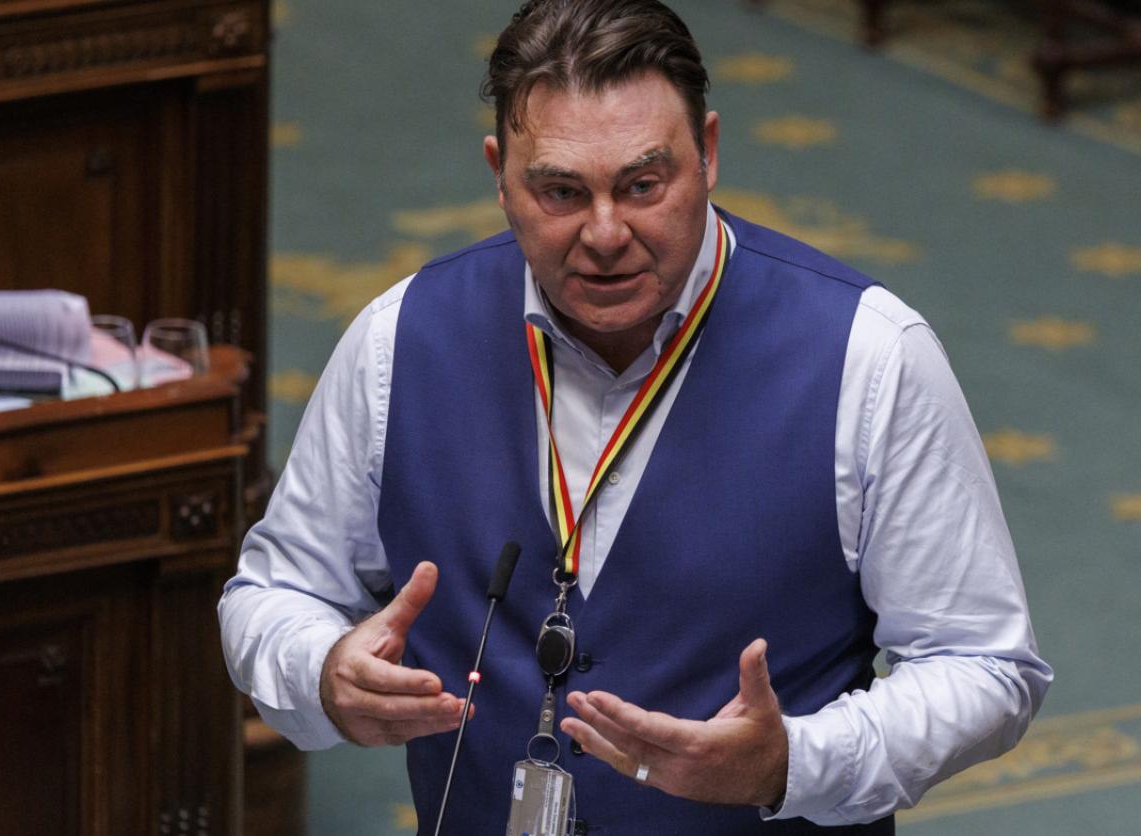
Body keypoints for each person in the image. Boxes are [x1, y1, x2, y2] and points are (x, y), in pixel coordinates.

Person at [219, 0, 1051, 832]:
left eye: (643, 185)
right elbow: (273, 592)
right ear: (499, 176)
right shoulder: (399, 340)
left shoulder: (870, 357)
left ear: (709, 154)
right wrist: (322, 670)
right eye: (561, 191)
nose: (606, 232)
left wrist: (795, 762)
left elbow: (984, 665)